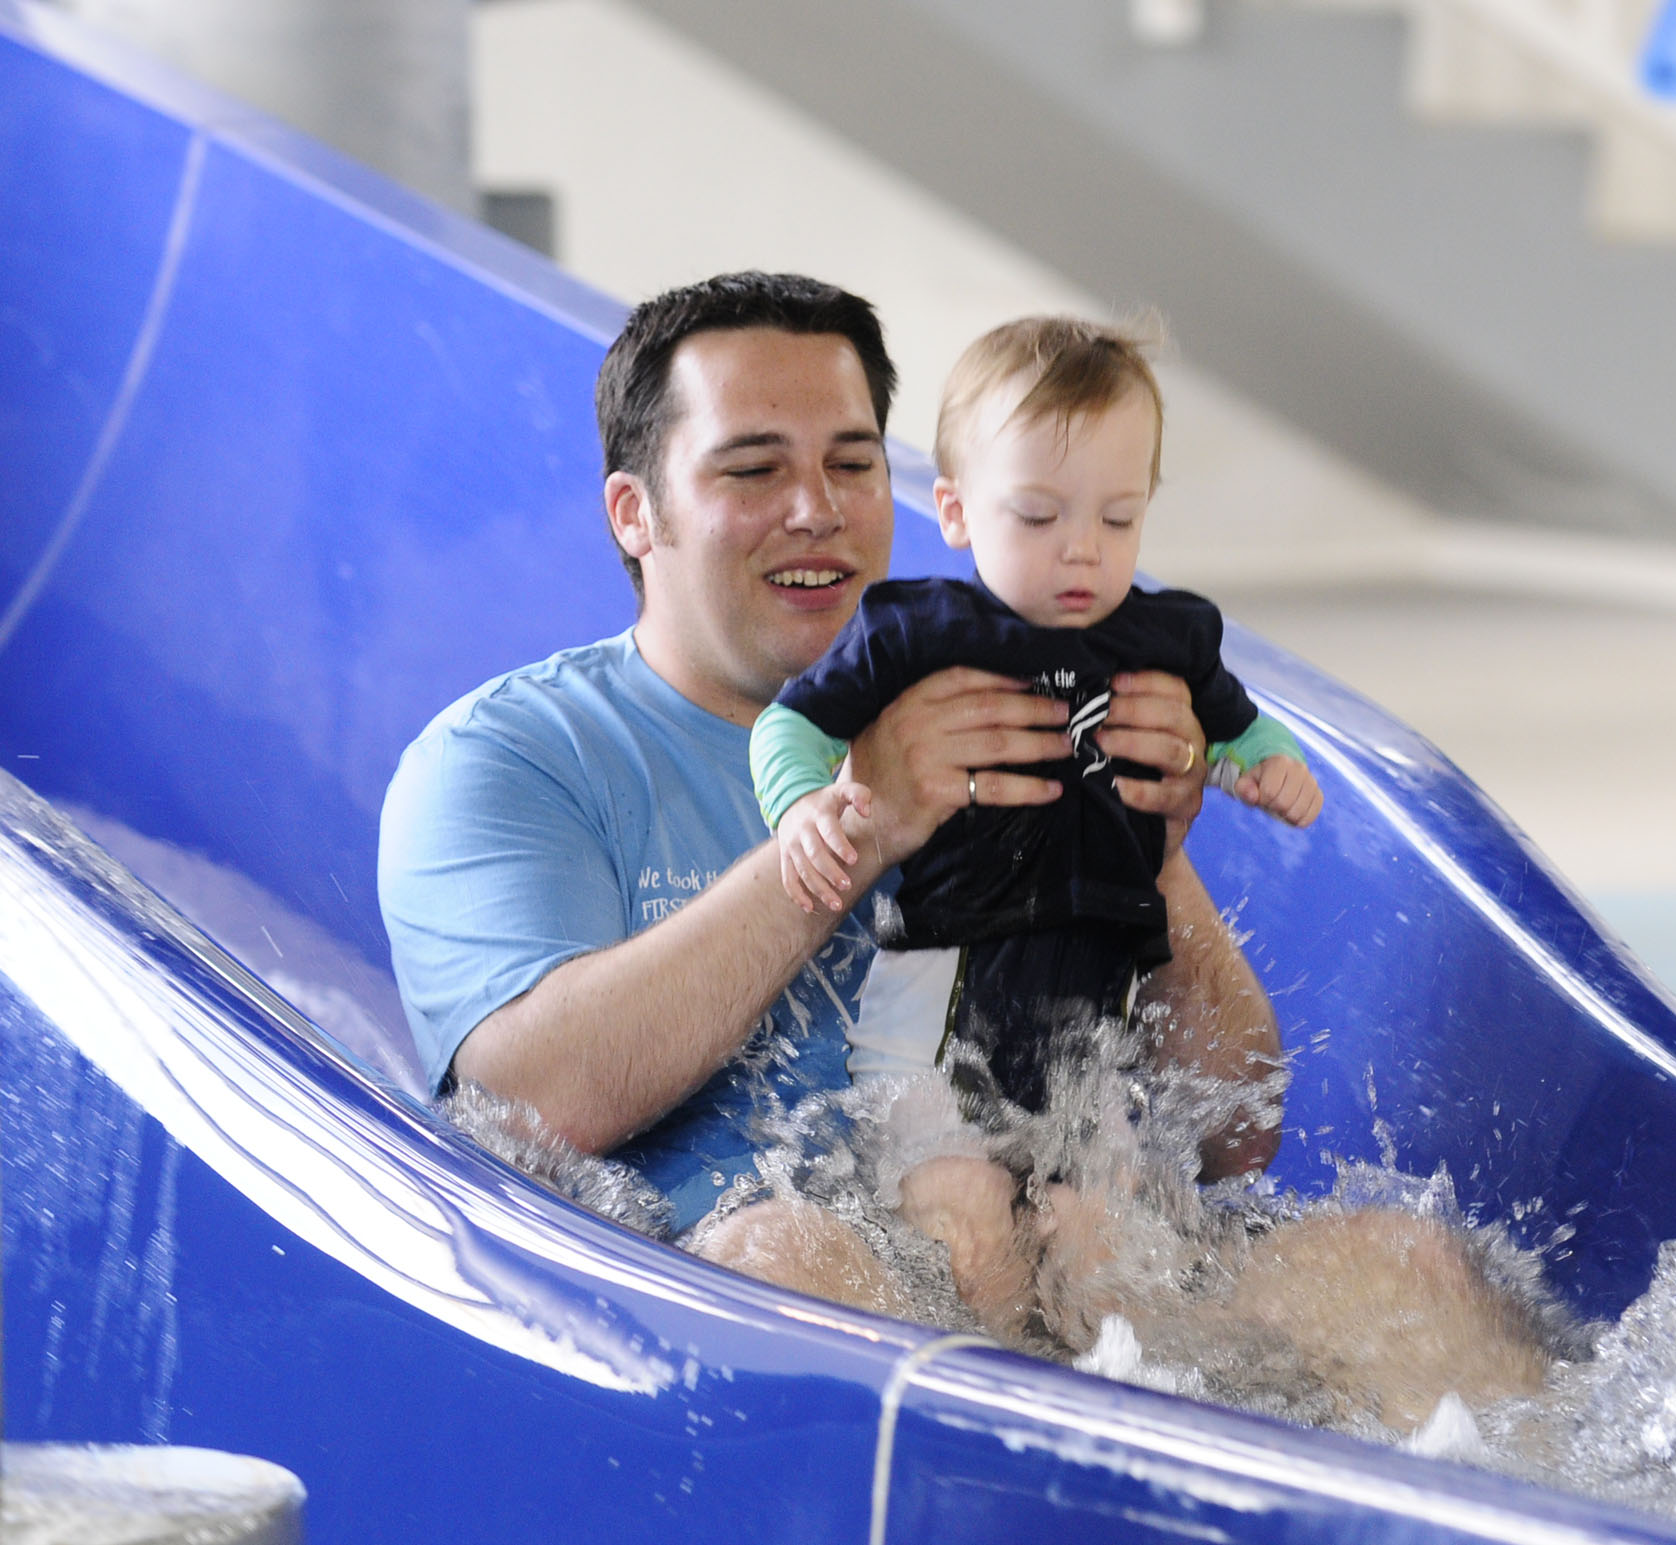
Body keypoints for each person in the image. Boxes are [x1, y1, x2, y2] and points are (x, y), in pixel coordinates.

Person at [378, 272, 1281, 1313]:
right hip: (761, 1304)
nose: (816, 511)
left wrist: (1154, 855)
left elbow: (1235, 1133)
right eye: (754, 470)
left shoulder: (1018, 707)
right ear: (635, 514)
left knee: (1401, 1273)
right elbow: (526, 1107)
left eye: (852, 465)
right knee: (788, 1254)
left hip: (1076, 1263)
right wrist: (864, 824)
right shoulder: (513, 755)